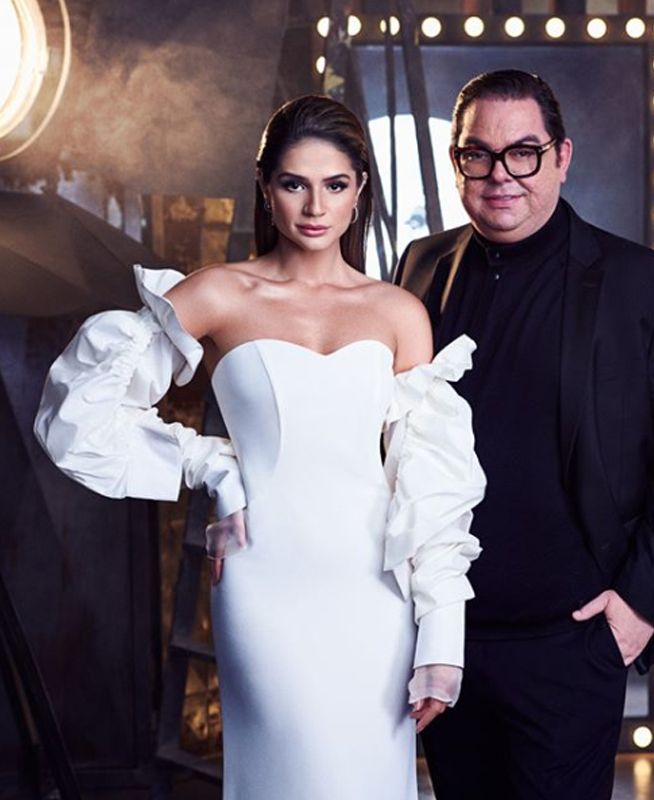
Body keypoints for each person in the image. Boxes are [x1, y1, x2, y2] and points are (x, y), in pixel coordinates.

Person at [34, 95, 486, 800]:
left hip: (376, 590)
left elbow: (429, 482)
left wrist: (442, 639)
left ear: (360, 191)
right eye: (294, 183)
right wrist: (213, 466)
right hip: (264, 580)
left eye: (335, 184)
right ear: (265, 187)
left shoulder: (398, 312)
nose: (316, 206)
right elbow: (79, 412)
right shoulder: (222, 293)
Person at [395, 70, 654, 800]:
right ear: (456, 161)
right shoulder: (418, 268)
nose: (501, 175)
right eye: (478, 154)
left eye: (524, 152)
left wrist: (636, 609)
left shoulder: (649, 285)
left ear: (562, 156)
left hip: (571, 641)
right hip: (443, 634)